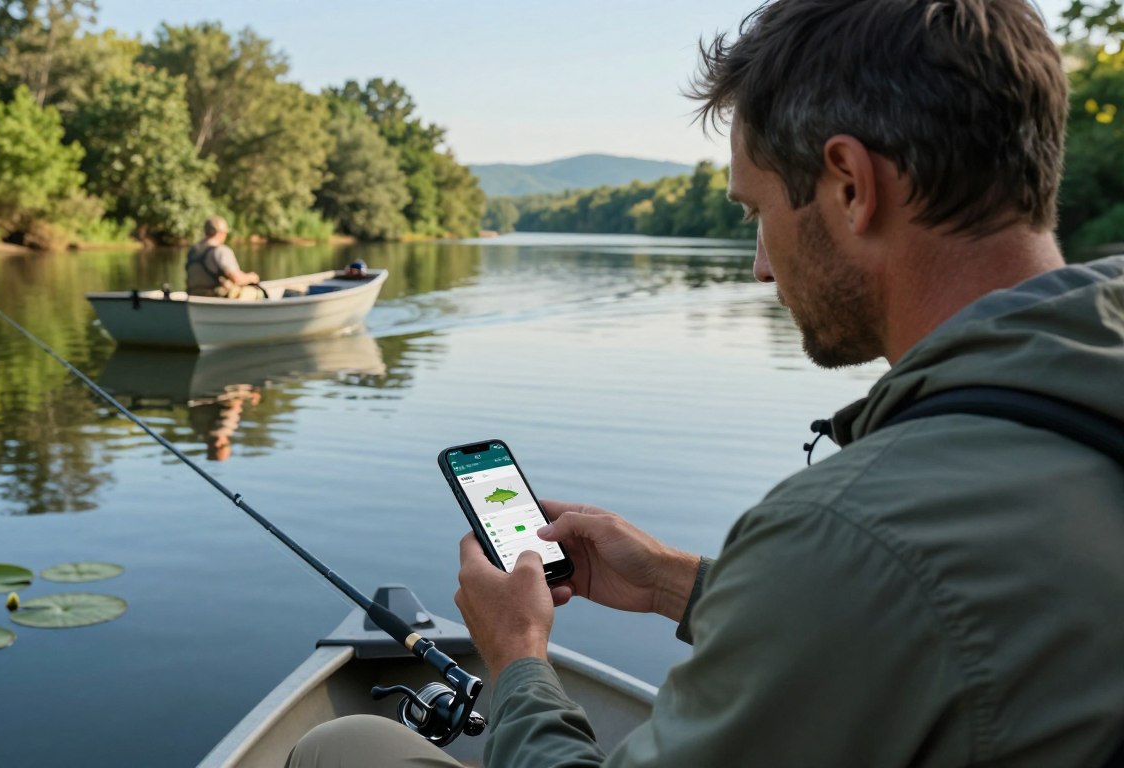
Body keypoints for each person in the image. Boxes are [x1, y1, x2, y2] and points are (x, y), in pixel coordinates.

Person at [290, 1, 1124, 765]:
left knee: (350, 746)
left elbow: (881, 578)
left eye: (756, 210)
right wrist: (669, 581)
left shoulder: (859, 530)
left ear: (850, 186)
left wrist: (518, 661)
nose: (762, 267)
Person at [185, 216, 260, 298]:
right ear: (221, 233)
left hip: (193, 295)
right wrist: (252, 277)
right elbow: (237, 279)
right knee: (256, 292)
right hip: (215, 297)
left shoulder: (193, 250)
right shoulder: (221, 250)